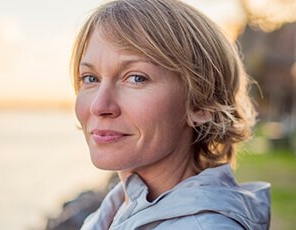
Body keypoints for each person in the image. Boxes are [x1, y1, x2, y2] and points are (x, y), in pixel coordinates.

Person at [70, 0, 271, 229]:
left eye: (136, 78)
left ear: (201, 104)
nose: (99, 105)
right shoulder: (111, 211)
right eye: (90, 78)